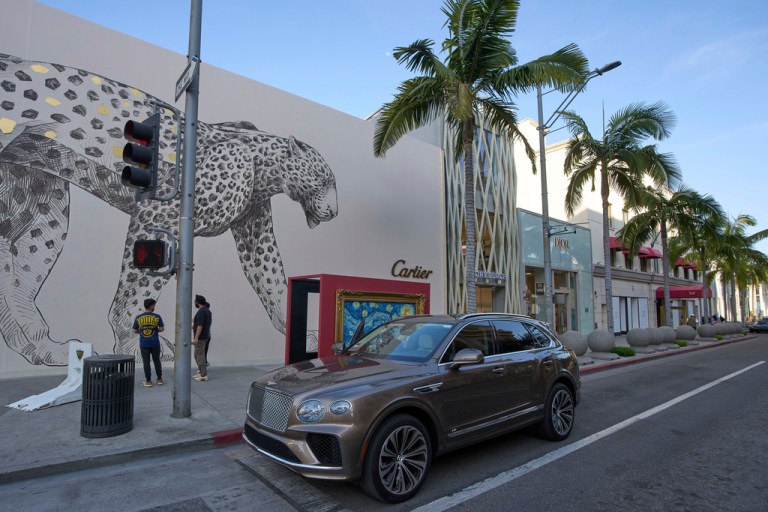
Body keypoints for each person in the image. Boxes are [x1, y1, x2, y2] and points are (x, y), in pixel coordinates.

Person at [132, 298, 164, 388]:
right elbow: (161, 328)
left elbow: (135, 330)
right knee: (157, 360)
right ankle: (159, 379)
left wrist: (142, 331)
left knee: (146, 362)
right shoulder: (157, 316)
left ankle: (148, 381)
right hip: (155, 343)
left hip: (144, 343)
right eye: (154, 305)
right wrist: (155, 330)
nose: (154, 307)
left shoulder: (138, 318)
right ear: (151, 306)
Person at [192, 294, 212, 381]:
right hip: (205, 336)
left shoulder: (201, 311)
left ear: (197, 302)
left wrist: (196, 337)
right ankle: (201, 372)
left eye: (195, 301)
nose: (194, 303)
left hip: (200, 337)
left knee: (199, 355)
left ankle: (203, 375)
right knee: (199, 355)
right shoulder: (207, 311)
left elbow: (200, 325)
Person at [203, 301, 213, 367]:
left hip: (205, 336)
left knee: (202, 351)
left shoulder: (205, 313)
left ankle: (203, 368)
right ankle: (205, 362)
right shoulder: (209, 313)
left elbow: (202, 324)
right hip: (208, 335)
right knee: (205, 350)